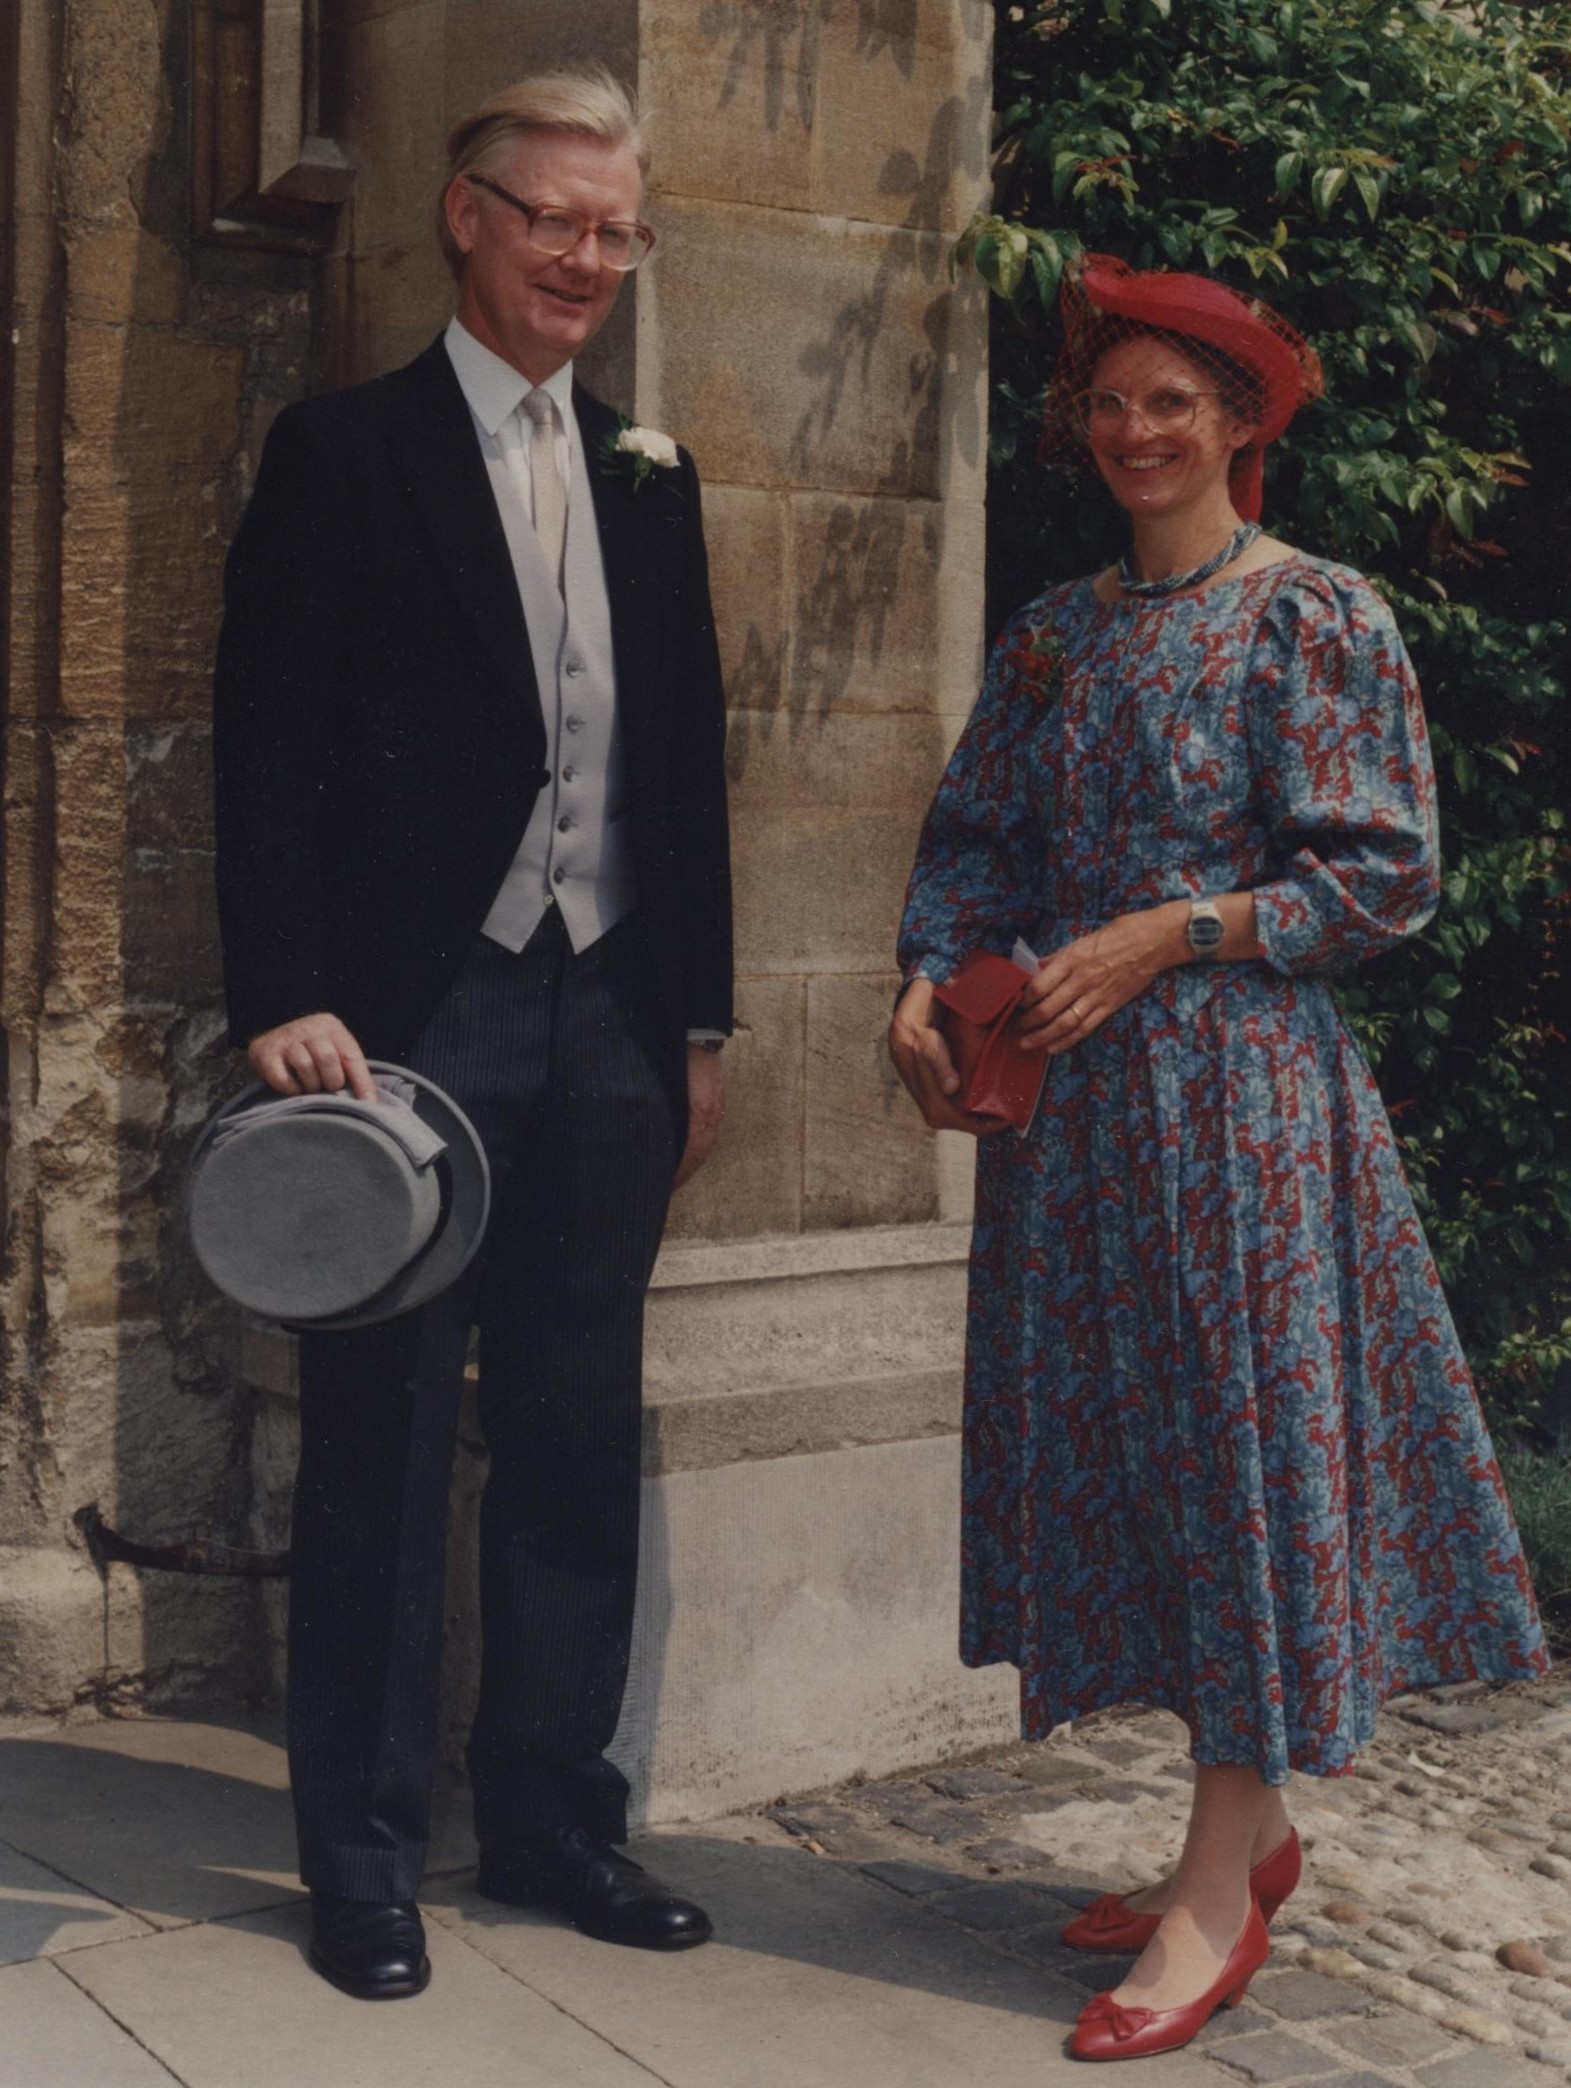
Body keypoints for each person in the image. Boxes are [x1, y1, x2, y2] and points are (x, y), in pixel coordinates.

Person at [889, 254, 1548, 2063]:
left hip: (1242, 1114)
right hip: (1074, 1126)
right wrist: (927, 979)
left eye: (1172, 402)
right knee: (1139, 1454)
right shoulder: (1058, 631)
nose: (1135, 431)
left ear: (1241, 421)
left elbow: (1387, 872)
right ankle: (1247, 1840)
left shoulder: (1313, 616)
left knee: (1239, 1458)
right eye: (1108, 403)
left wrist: (1175, 931)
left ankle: (1210, 1900)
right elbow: (974, 839)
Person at [213, 69, 732, 1999]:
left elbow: (684, 766)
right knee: (383, 1440)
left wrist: (696, 1026)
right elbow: (263, 741)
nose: (587, 259)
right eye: (554, 220)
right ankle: (360, 1859)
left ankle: (552, 1821)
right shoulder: (344, 453)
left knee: (578, 1433)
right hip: (409, 1022)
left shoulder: (653, 474)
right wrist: (285, 993)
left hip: (611, 1012)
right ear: (465, 216)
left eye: (618, 231)